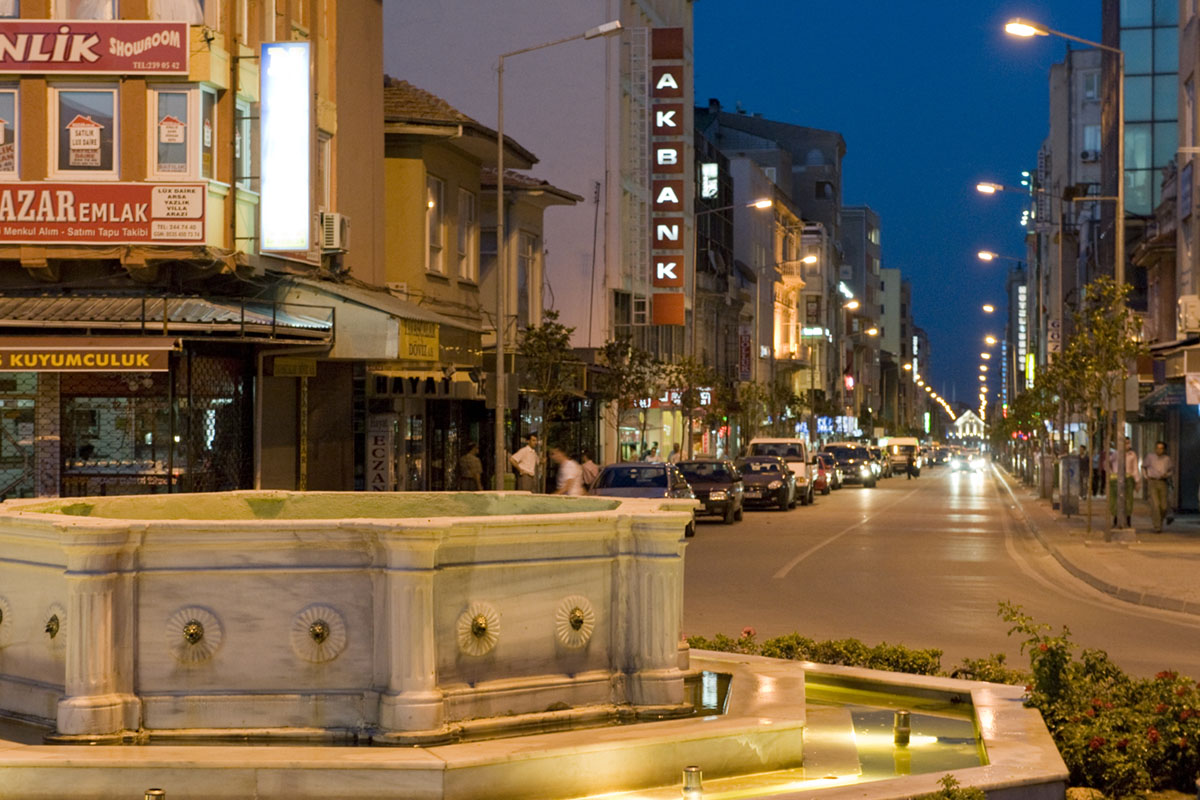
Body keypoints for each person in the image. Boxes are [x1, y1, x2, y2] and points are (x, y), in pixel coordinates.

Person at [1142, 440, 1173, 532]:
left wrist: (1167, 475)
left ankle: (1160, 521)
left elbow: (1171, 471)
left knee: (1163, 506)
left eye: (1161, 448)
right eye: (1157, 448)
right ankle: (1157, 526)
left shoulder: (1167, 459)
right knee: (1155, 504)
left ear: (1164, 449)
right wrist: (1146, 476)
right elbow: (1143, 466)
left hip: (1163, 482)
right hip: (1152, 482)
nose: (1159, 450)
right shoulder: (1150, 457)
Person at [1107, 441, 1140, 528]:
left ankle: (1128, 520)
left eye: (1128, 443)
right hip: (1115, 478)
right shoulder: (1115, 454)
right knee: (1115, 500)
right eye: (1125, 443)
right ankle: (1116, 519)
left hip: (1128, 478)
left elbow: (1135, 468)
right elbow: (1107, 462)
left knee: (1128, 500)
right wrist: (1111, 473)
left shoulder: (1132, 455)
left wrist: (1137, 481)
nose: (1127, 445)